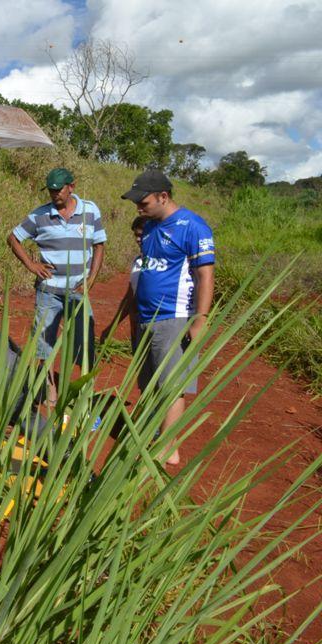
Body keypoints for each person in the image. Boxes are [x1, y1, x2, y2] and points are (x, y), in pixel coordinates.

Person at [121, 169, 215, 465]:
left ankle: (167, 446)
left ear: (164, 196)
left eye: (144, 201)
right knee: (149, 383)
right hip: (147, 318)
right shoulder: (149, 226)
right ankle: (153, 433)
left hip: (174, 316)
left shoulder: (193, 226)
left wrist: (200, 319)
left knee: (172, 384)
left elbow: (205, 275)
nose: (139, 207)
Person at [7, 167, 106, 405]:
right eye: (50, 190)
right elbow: (13, 237)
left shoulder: (90, 210)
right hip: (48, 291)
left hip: (78, 292)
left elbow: (100, 245)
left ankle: (83, 396)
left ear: (71, 186)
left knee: (84, 343)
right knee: (44, 342)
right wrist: (32, 265)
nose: (54, 195)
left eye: (58, 190)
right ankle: (51, 391)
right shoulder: (39, 215)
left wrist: (91, 279)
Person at [100, 216, 147, 350]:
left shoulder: (163, 264)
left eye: (141, 235)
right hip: (137, 326)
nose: (138, 239)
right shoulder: (137, 261)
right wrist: (112, 327)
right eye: (135, 235)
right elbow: (129, 298)